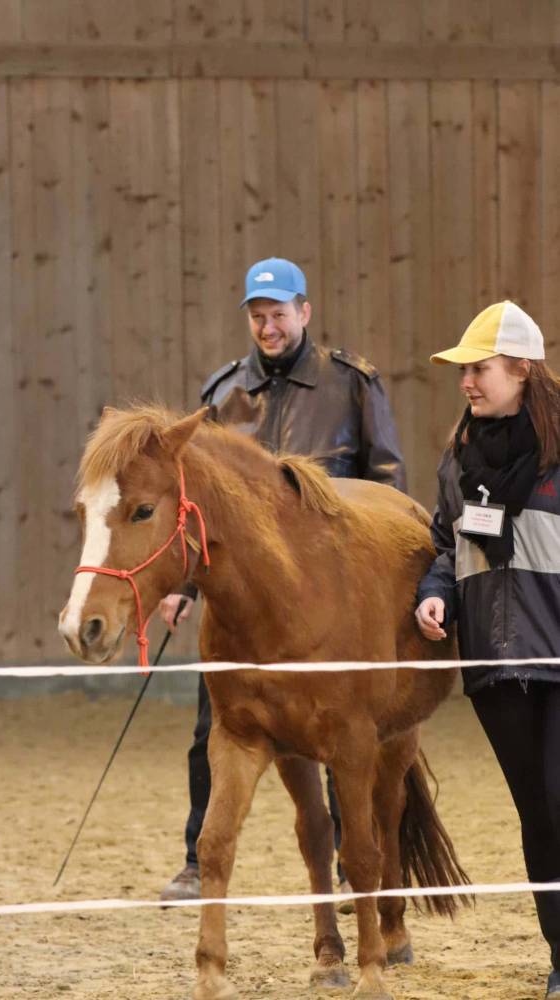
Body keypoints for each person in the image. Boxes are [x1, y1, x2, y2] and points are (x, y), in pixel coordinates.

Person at [160, 256, 406, 902]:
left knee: (341, 734)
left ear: (303, 311)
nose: (267, 327)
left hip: (330, 600)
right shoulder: (221, 394)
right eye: (257, 316)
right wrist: (181, 589)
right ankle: (195, 857)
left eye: (277, 314)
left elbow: (386, 483)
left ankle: (361, 868)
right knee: (209, 728)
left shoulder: (350, 383)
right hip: (243, 607)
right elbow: (192, 504)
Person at [415, 300, 560, 1000]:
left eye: (478, 368)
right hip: (494, 667)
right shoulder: (455, 464)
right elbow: (448, 545)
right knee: (536, 814)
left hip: (557, 659)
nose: (467, 381)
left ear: (521, 370)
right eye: (463, 370)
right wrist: (434, 591)